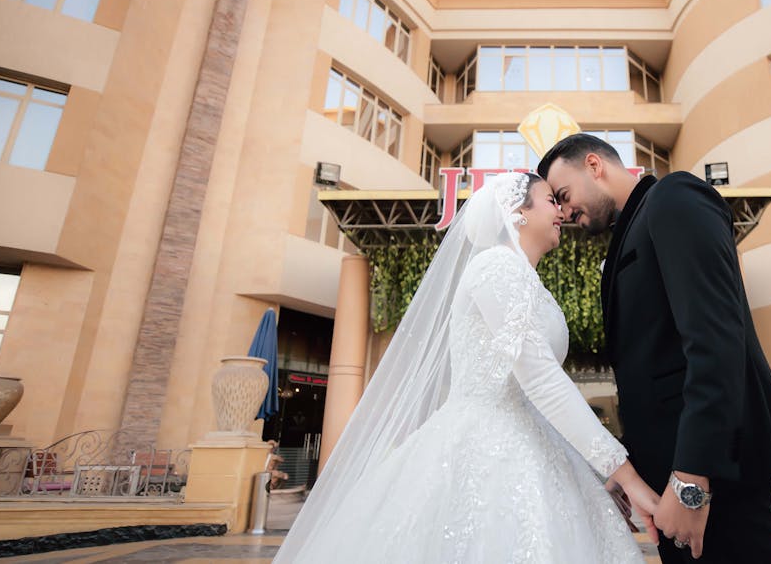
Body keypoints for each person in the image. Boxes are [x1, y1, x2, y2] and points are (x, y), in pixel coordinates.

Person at [274, 173, 659, 562]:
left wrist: (593, 480)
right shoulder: (495, 268)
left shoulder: (531, 282)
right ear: (517, 212)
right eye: (549, 200)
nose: (560, 211)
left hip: (534, 439)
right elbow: (542, 378)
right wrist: (625, 472)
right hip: (483, 442)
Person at [539, 134, 771, 563]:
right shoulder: (632, 230)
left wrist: (691, 481)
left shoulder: (674, 197)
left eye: (564, 195)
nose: (564, 211)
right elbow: (651, 367)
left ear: (594, 165)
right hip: (671, 479)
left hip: (714, 474)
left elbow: (715, 339)